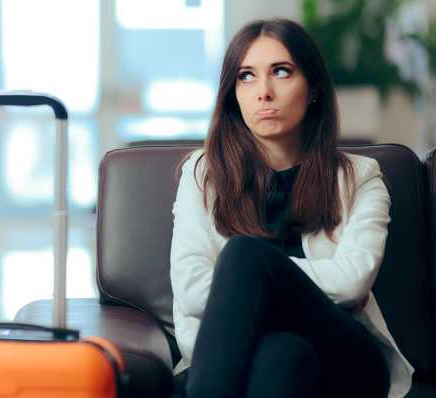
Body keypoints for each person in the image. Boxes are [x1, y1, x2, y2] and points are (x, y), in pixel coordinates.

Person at [169, 18, 414, 397]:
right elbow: (189, 288)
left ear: (313, 87)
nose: (263, 92)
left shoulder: (359, 177)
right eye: (246, 76)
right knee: (282, 355)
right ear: (233, 92)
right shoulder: (203, 174)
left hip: (346, 357)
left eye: (281, 72)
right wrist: (268, 285)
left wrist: (255, 281)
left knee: (245, 256)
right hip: (251, 357)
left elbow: (352, 281)